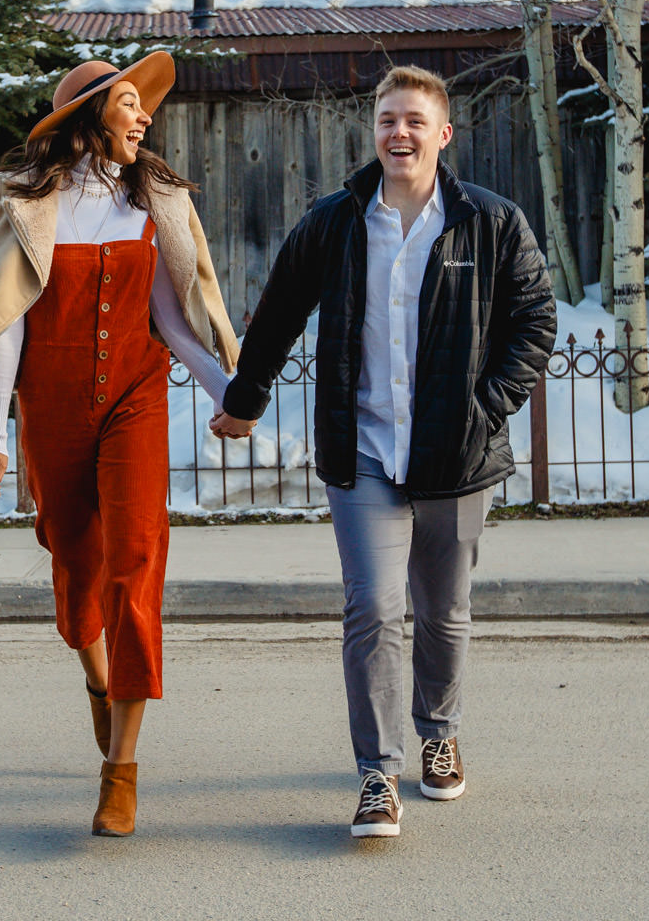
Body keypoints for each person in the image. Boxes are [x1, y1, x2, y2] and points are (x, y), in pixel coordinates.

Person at [0, 52, 241, 837]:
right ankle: (97, 679)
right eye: (127, 103)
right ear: (86, 117)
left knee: (137, 561)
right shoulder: (23, 204)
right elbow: (2, 319)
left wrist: (230, 392)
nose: (143, 117)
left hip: (134, 399)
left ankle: (120, 769)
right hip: (48, 405)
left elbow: (178, 323)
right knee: (75, 565)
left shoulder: (154, 199)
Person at [210, 64, 555, 838]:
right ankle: (378, 774)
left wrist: (485, 407)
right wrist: (244, 399)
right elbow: (279, 312)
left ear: (443, 135)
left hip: (457, 457)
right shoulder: (336, 221)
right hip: (361, 450)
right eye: (387, 120)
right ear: (375, 132)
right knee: (373, 607)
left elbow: (535, 321)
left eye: (413, 121)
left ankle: (439, 734)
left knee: (443, 611)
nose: (399, 133)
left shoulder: (490, 222)